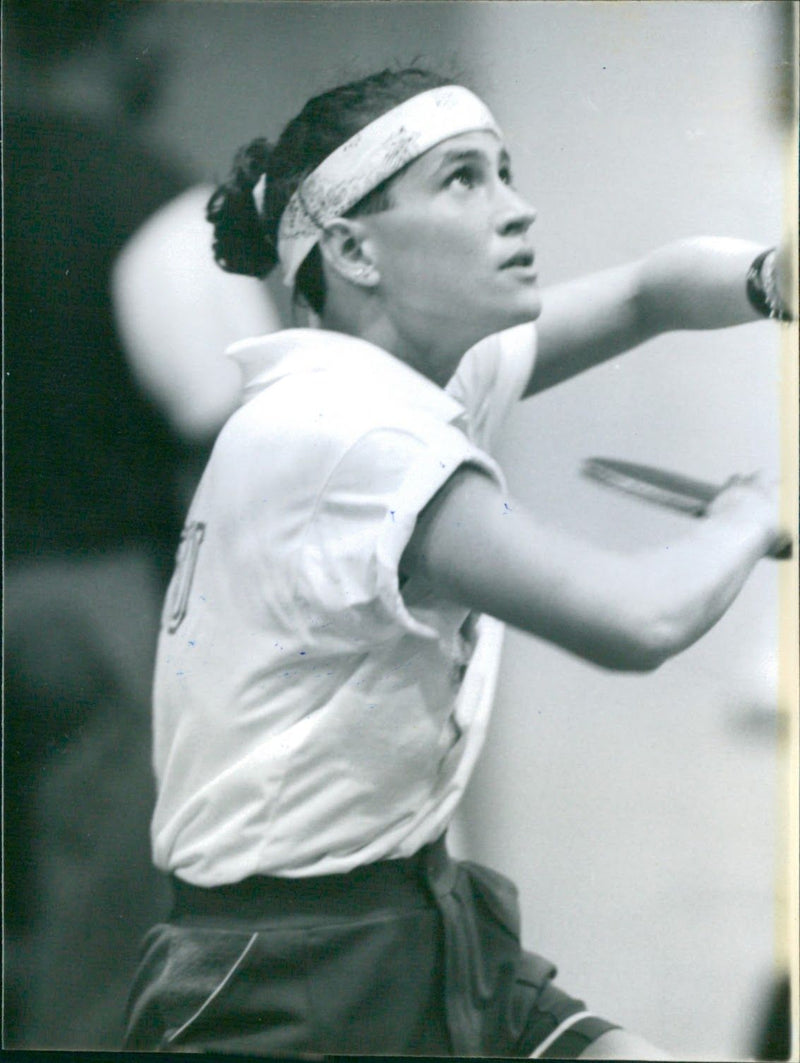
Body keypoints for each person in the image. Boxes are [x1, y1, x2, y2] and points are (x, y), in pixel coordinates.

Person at [123, 67, 794, 1059]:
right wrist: (745, 517)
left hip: (413, 921)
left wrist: (770, 276)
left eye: (505, 172)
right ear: (353, 248)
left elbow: (651, 289)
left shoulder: (408, 379)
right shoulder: (343, 437)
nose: (516, 209)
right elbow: (632, 619)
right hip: (283, 983)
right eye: (462, 181)